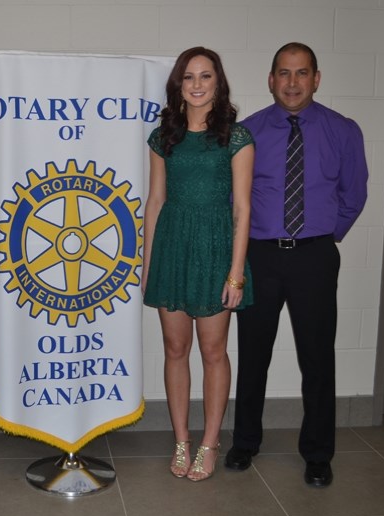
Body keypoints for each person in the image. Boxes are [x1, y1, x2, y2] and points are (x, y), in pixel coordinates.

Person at [225, 42, 368, 488]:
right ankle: (245, 442)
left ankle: (318, 454)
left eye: (301, 73)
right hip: (260, 257)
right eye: (283, 73)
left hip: (315, 257)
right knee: (253, 356)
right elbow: (233, 199)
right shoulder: (245, 132)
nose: (292, 83)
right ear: (270, 80)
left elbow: (354, 193)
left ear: (316, 78)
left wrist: (324, 235)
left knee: (317, 359)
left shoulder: (343, 130)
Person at [143, 47, 254, 482]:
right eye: (189, 77)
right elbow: (155, 202)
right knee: (175, 350)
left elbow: (242, 210)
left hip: (215, 248)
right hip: (172, 247)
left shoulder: (237, 137)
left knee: (212, 352)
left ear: (217, 82)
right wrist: (150, 266)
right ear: (178, 84)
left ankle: (209, 442)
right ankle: (181, 441)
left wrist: (236, 272)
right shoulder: (162, 136)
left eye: (205, 76)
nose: (197, 84)